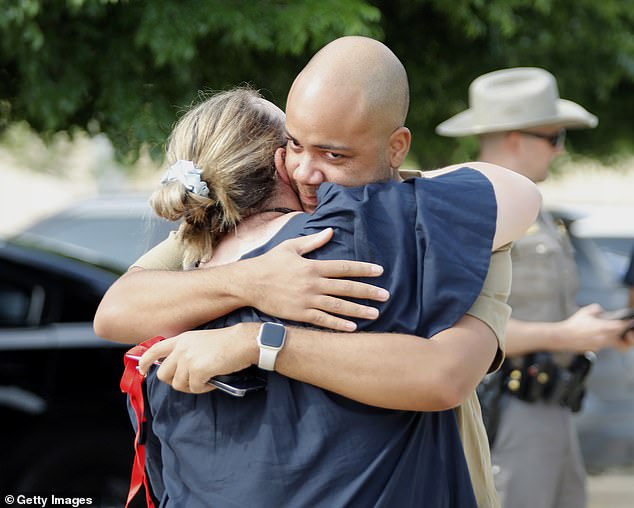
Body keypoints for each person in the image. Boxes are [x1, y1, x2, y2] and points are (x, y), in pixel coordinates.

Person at [96, 37, 539, 507]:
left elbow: (444, 376)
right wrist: (254, 281)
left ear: (396, 148)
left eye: (335, 155)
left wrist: (256, 342)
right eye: (293, 145)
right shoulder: (215, 236)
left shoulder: (452, 232)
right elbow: (115, 311)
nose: (307, 172)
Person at [437, 66, 634, 508]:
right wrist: (566, 335)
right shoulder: (470, 209)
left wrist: (598, 329)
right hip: (508, 406)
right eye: (555, 137)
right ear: (515, 138)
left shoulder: (531, 208)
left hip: (553, 403)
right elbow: (450, 332)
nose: (560, 151)